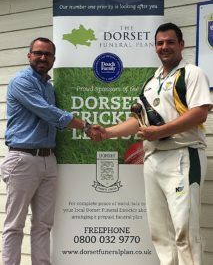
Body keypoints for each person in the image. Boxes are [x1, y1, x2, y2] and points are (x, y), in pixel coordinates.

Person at [97, 23, 213, 265]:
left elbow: (200, 113)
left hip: (182, 155)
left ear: (182, 44)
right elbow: (136, 121)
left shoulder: (192, 73)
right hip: (153, 159)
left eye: (170, 42)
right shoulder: (150, 81)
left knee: (185, 232)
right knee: (161, 234)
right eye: (160, 43)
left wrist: (160, 131)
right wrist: (107, 133)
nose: (164, 47)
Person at [0, 37, 102, 265]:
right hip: (23, 159)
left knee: (43, 224)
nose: (43, 57)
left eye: (47, 54)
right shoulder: (21, 82)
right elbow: (48, 113)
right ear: (29, 56)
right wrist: (85, 126)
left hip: (48, 160)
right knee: (14, 225)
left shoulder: (48, 86)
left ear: (54, 59)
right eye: (38, 53)